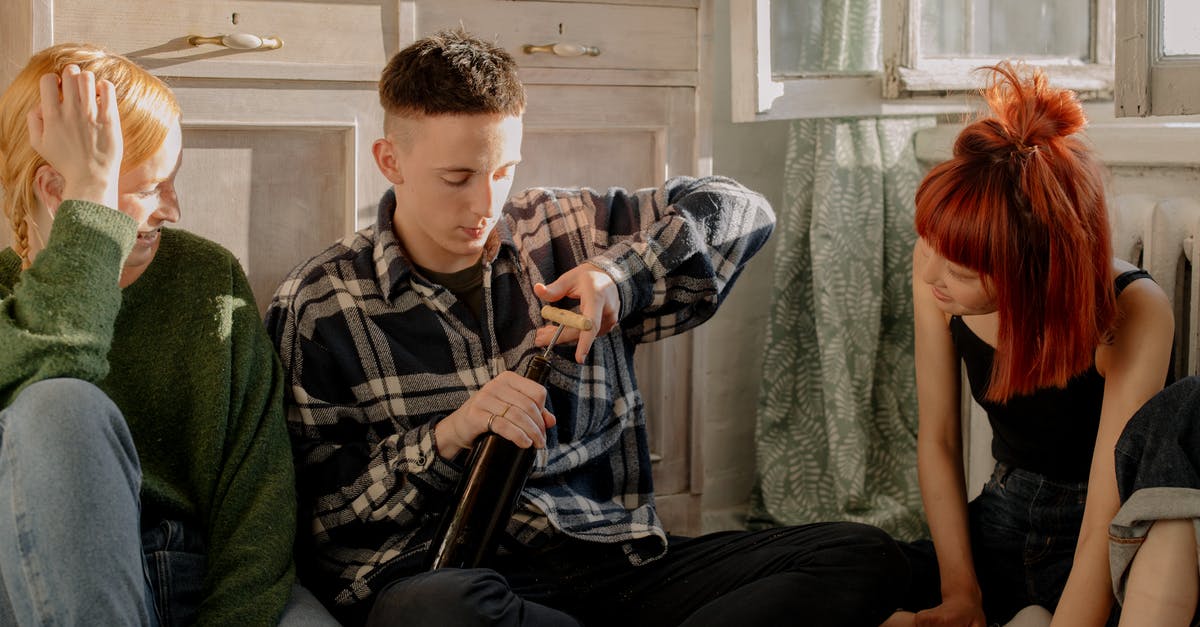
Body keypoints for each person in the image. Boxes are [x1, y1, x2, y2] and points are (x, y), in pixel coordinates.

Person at [267, 29, 908, 627]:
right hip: (449, 580)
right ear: (390, 161)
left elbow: (742, 211)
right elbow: (321, 525)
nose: (484, 206)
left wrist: (618, 276)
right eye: (457, 178)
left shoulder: (569, 230)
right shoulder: (320, 301)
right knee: (443, 610)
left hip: (611, 565)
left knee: (863, 554)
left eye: (501, 172)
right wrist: (449, 436)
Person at [0, 44, 298, 625]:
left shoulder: (207, 275)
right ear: (57, 189)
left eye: (172, 182)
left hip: (209, 586)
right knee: (59, 402)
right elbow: (62, 374)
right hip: (41, 593)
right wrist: (92, 193)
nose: (173, 210)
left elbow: (259, 494)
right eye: (147, 188)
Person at [884, 63, 1177, 626]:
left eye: (963, 271)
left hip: (1093, 531)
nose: (933, 275)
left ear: (1030, 267)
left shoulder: (1131, 312)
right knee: (845, 583)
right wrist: (960, 593)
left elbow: (1106, 511)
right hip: (1000, 512)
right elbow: (939, 441)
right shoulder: (934, 267)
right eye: (931, 246)